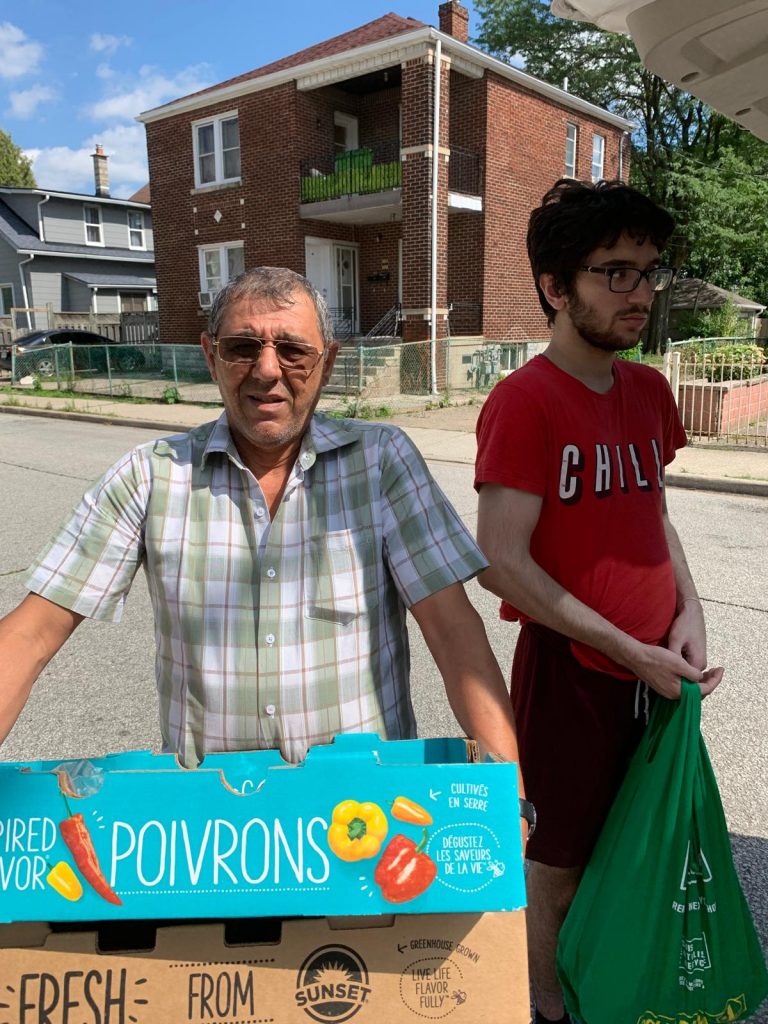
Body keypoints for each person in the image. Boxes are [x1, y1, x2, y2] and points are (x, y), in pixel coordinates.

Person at [0, 267, 524, 809]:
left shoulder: (380, 462)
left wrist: (509, 801)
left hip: (363, 817)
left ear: (327, 364)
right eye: (242, 348)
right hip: (212, 828)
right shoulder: (151, 475)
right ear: (211, 357)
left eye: (293, 350)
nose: (267, 370)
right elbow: (30, 634)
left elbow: (454, 635)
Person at [474, 180, 724, 1024]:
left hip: (655, 668)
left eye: (649, 272)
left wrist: (689, 613)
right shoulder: (524, 402)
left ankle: (615, 984)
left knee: (638, 846)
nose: (640, 293)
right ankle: (548, 1007)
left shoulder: (649, 391)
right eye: (616, 272)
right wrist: (627, 648)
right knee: (560, 863)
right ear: (555, 286)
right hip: (573, 673)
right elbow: (500, 564)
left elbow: (653, 514)